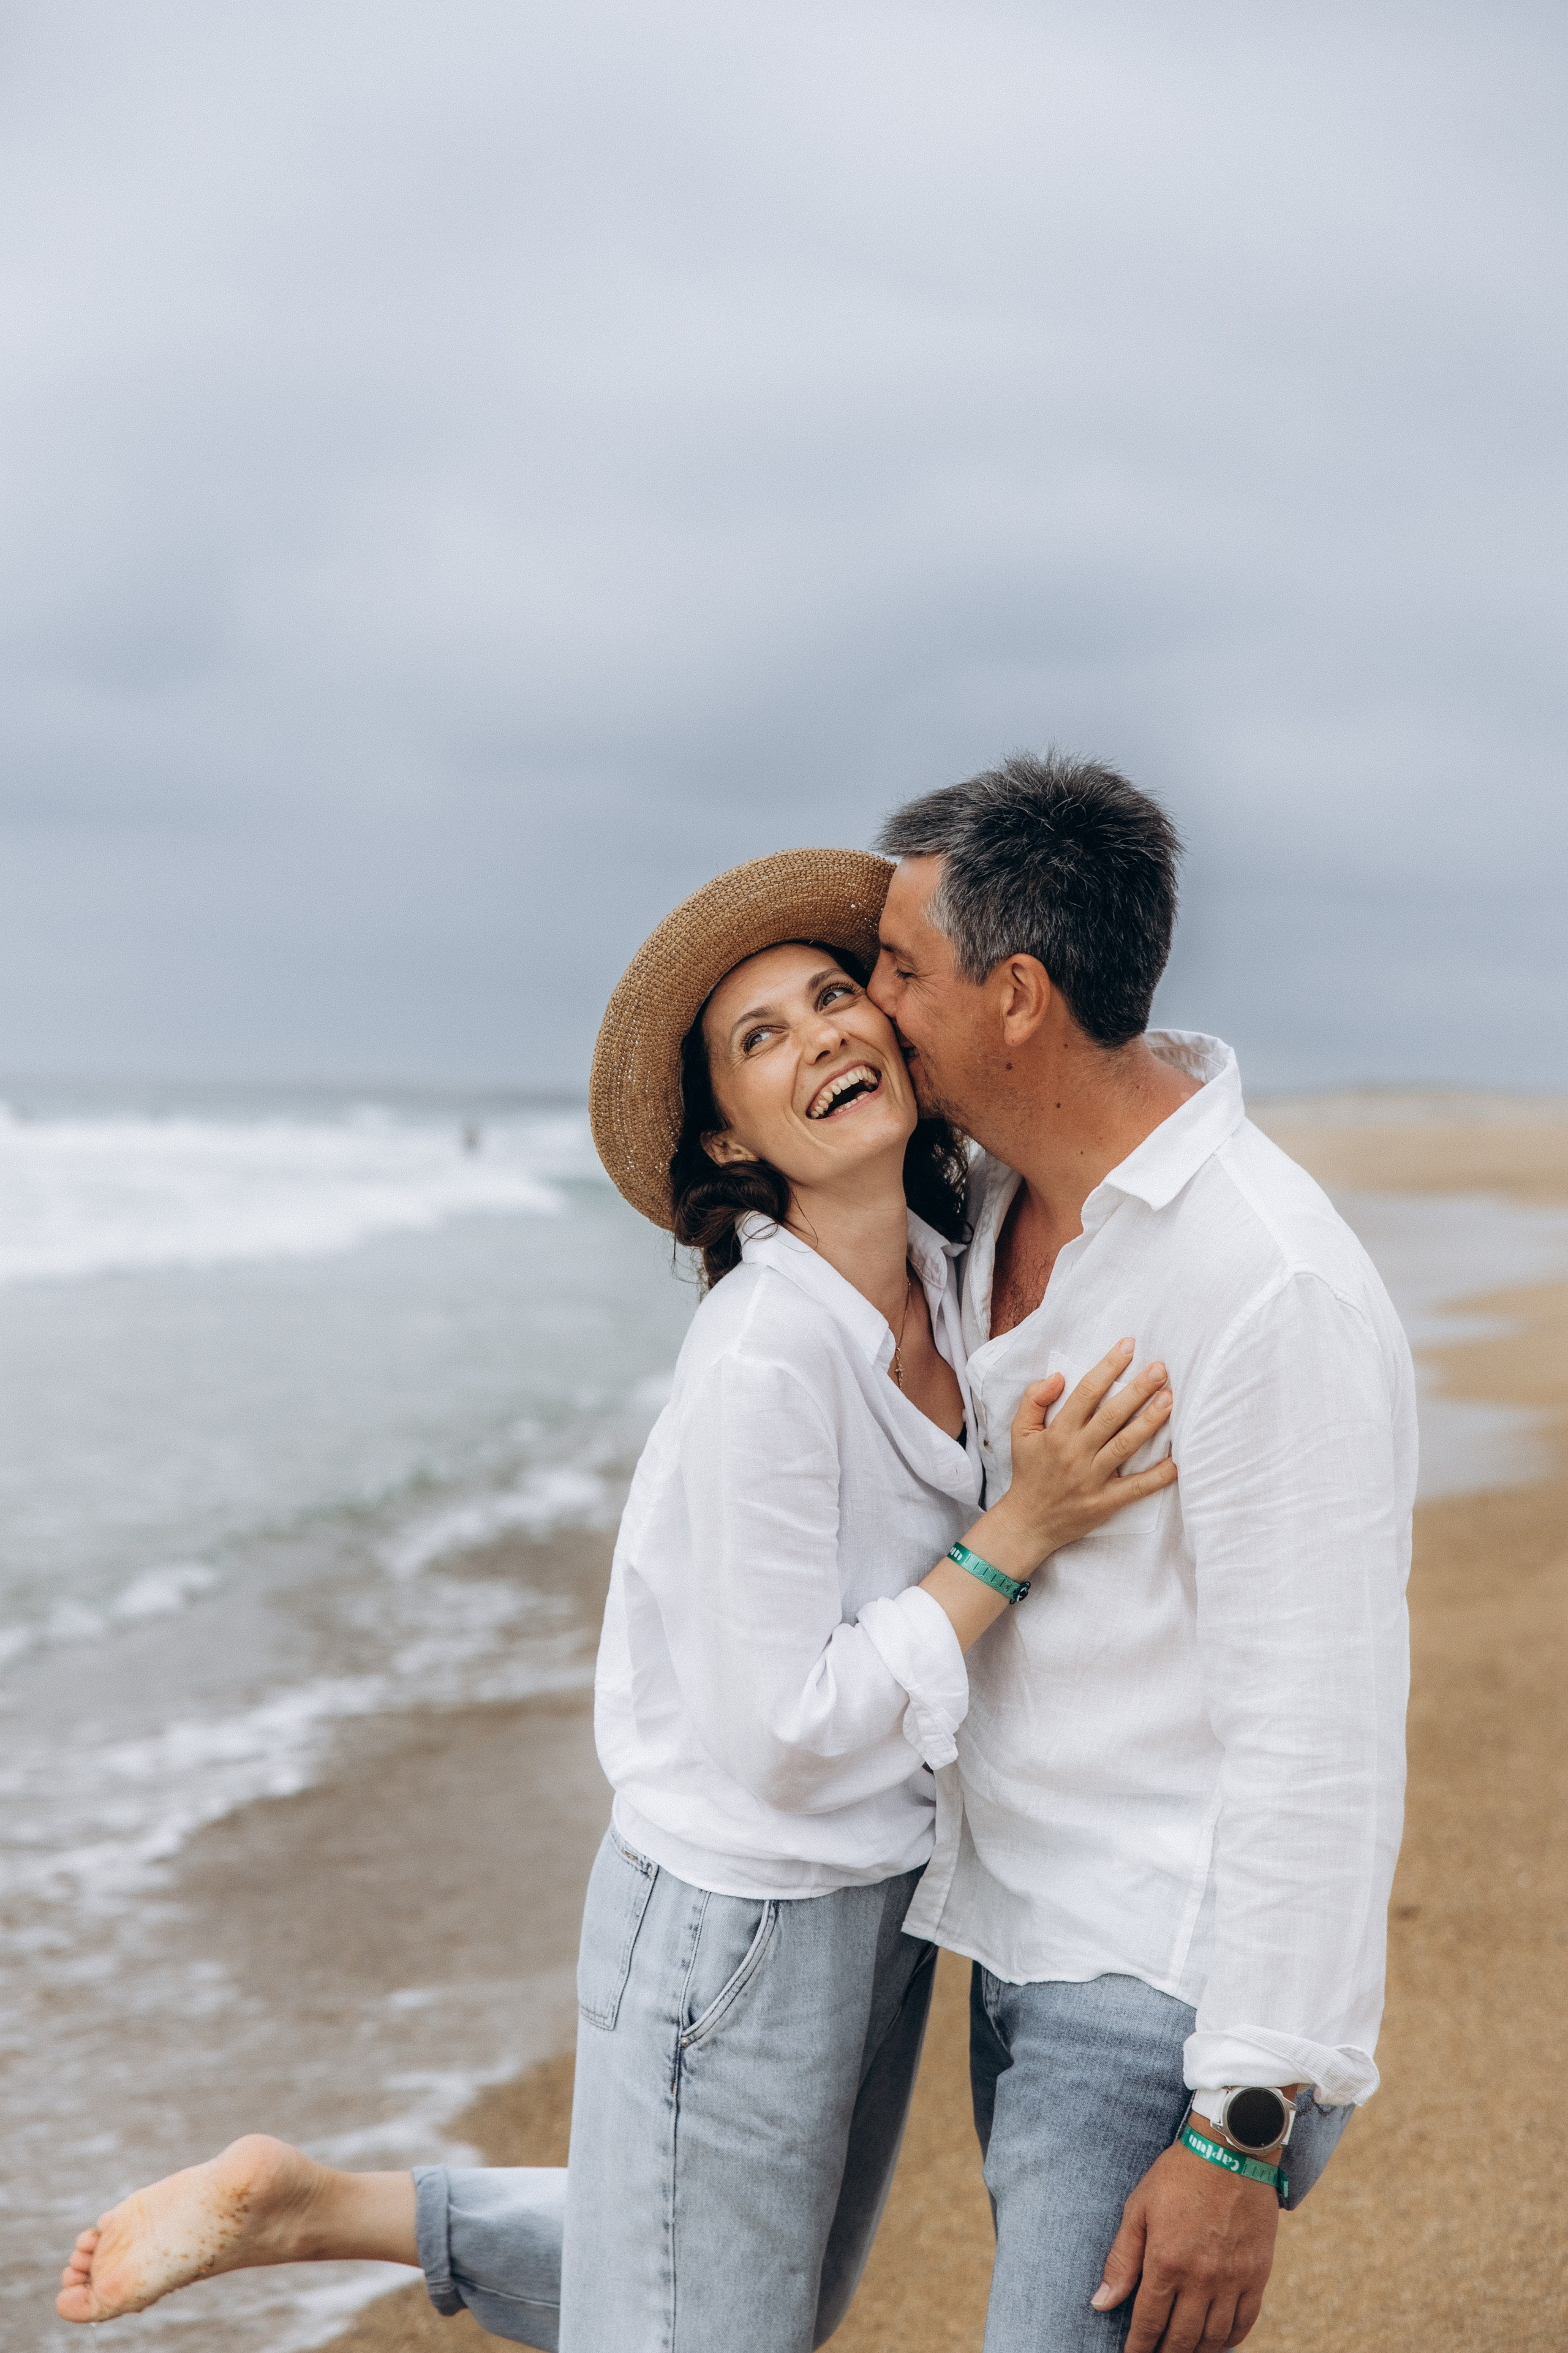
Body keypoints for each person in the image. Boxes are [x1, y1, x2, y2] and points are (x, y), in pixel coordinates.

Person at [58, 848, 1173, 2350]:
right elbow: (784, 1733)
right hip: (734, 1918)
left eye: (835, 996)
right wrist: (1012, 1537)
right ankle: (307, 2209)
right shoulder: (763, 1360)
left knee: (743, 2300)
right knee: (711, 2322)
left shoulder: (941, 1268)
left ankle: (325, 2206)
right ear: (729, 1128)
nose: (823, 1037)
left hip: (880, 1893)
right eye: (760, 1038)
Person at [867, 752, 1415, 2353]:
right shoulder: (975, 1204)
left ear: (1018, 993)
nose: (874, 1001)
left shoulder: (1268, 1284)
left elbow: (1321, 1727)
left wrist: (1238, 2127)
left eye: (903, 969)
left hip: (1166, 1995)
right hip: (1022, 1934)